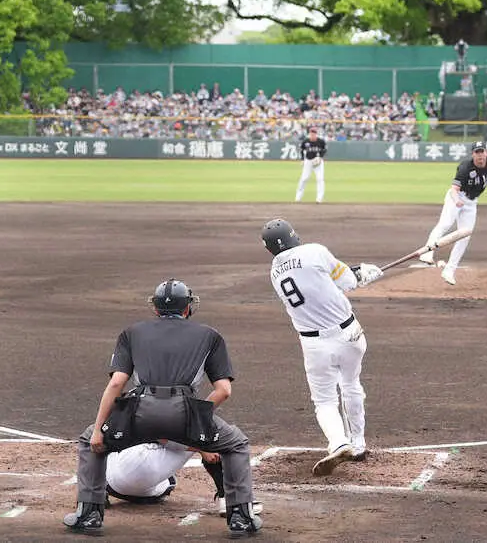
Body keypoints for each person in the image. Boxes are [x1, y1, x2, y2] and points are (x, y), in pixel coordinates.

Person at [64, 279, 262, 538]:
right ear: (187, 308)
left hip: (139, 412)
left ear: (156, 309)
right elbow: (224, 390)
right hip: (184, 412)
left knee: (89, 440)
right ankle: (241, 517)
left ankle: (88, 514)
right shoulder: (210, 335)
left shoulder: (132, 332)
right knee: (235, 444)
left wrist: (99, 430)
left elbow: (116, 384)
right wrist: (197, 415)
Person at [261, 218, 383, 476]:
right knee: (351, 385)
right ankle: (358, 445)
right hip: (350, 334)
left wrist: (355, 273)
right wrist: (363, 273)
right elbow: (347, 281)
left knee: (325, 400)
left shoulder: (275, 272)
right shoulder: (315, 250)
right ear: (293, 235)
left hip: (314, 345)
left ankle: (339, 442)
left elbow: (315, 282)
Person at [418, 140, 487, 285]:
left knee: (465, 235)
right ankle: (427, 253)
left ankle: (449, 270)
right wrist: (457, 201)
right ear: (473, 154)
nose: (480, 155)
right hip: (456, 197)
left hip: (471, 202)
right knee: (445, 224)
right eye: (477, 152)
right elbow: (454, 189)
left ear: (486, 153)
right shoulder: (465, 167)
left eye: (482, 152)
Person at [105, 443, 261, 519]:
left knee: (107, 440)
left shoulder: (126, 403)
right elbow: (164, 438)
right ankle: (228, 498)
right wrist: (203, 449)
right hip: (142, 475)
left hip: (111, 482)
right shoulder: (171, 404)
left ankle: (96, 495)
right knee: (212, 435)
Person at [294, 126, 327, 203]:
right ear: (309, 133)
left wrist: (320, 157)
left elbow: (324, 149)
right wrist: (302, 159)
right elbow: (302, 150)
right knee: (304, 178)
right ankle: (298, 197)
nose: (312, 134)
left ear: (316, 134)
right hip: (308, 161)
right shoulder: (306, 141)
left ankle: (319, 198)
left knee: (320, 179)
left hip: (318, 163)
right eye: (311, 133)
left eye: (314, 133)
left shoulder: (321, 141)